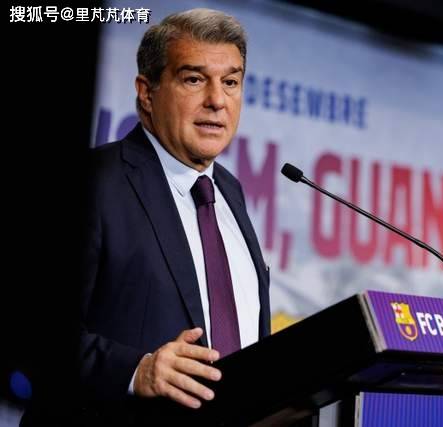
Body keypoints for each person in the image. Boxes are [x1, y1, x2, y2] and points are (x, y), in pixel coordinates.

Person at [21, 8, 270, 426]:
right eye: (194, 79)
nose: (217, 100)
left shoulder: (230, 193)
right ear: (147, 92)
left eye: (230, 82)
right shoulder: (94, 181)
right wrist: (137, 371)